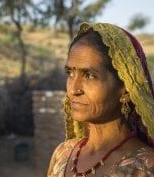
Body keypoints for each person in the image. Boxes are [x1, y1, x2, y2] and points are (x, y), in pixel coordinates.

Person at [47, 22, 154, 177]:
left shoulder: (145, 167)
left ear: (125, 88)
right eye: (70, 73)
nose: (73, 90)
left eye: (89, 75)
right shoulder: (63, 153)